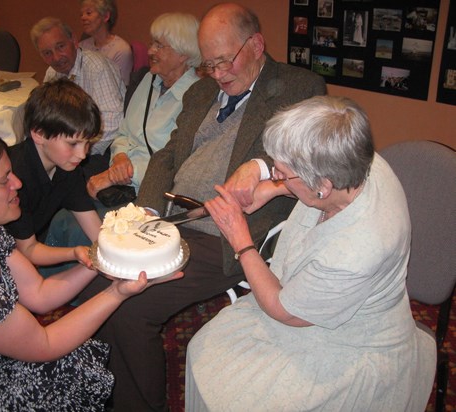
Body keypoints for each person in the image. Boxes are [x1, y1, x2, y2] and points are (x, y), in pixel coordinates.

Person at [77, 3, 326, 411]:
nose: (218, 73)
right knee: (95, 284)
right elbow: (167, 156)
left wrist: (258, 166)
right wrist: (149, 214)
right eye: (209, 64)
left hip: (230, 231)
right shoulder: (200, 91)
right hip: (173, 220)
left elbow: (297, 151)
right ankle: (108, 391)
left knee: (130, 306)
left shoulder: (299, 86)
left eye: (225, 60)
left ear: (257, 44)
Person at [185, 96, 437, 411]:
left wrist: (240, 239)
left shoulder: (358, 250)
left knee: (232, 395)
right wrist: (275, 188)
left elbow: (286, 311)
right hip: (310, 295)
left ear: (321, 186)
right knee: (203, 351)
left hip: (346, 342)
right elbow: (318, 179)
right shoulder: (358, 162)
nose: (274, 174)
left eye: (281, 173)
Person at [0, 128, 183, 410]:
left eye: (11, 172)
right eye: (4, 181)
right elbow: (44, 344)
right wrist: (117, 293)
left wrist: (99, 258)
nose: (18, 183)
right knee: (71, 366)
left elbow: (38, 293)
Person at [86, 12, 201, 199]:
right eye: (152, 43)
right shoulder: (148, 79)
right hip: (120, 182)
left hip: (153, 192)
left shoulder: (196, 96)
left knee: (70, 223)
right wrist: (120, 157)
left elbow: (178, 163)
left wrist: (119, 175)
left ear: (183, 54)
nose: (150, 51)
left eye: (159, 46)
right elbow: (123, 132)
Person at [4, 78, 102, 270]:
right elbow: (28, 250)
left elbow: (94, 228)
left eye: (87, 143)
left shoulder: (67, 167)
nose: (83, 154)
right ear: (39, 134)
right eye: (73, 143)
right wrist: (74, 252)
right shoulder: (15, 177)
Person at [30, 17, 125, 171]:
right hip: (67, 148)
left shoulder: (96, 67)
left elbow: (113, 123)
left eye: (60, 46)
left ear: (73, 41)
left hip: (100, 149)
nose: (56, 57)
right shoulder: (52, 73)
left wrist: (78, 149)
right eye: (47, 53)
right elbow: (45, 118)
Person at [79, 0, 133, 86]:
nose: (83, 18)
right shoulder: (81, 46)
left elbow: (120, 89)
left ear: (106, 16)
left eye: (88, 13)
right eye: (81, 14)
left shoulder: (121, 49)